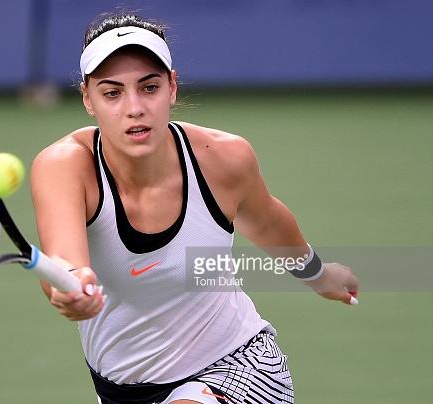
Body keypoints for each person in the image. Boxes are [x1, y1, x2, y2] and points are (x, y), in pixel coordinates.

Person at [30, 12, 359, 404]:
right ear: (88, 99)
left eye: (148, 87)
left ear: (171, 88)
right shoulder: (64, 166)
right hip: (121, 391)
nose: (134, 108)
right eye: (112, 92)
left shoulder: (223, 158)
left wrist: (319, 275)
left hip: (238, 366)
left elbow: (269, 222)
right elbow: (62, 263)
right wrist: (69, 285)